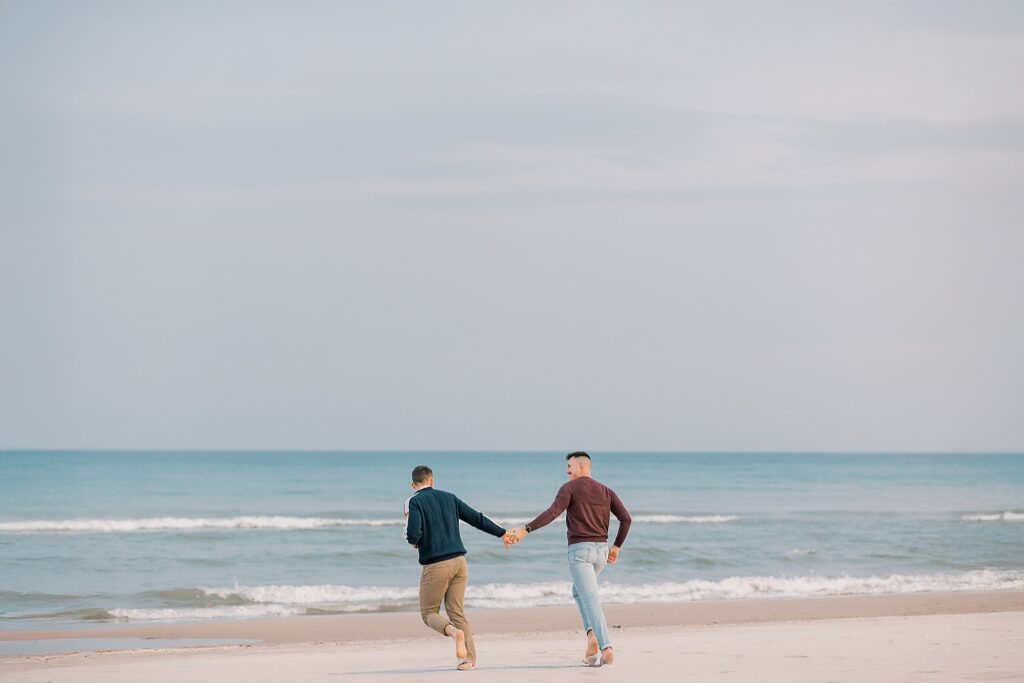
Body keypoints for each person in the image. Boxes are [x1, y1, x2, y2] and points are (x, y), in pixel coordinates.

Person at [509, 451, 631, 666]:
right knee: (579, 592)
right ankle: (591, 636)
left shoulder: (569, 488)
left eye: (570, 466)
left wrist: (526, 529)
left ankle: (606, 646)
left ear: (582, 467)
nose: (567, 471)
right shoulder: (606, 491)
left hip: (581, 552)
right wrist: (616, 547)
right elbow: (626, 519)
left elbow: (552, 512)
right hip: (601, 552)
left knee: (590, 597)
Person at [405, 464, 516, 671]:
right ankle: (469, 660)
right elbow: (477, 519)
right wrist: (502, 533)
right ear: (432, 480)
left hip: (436, 565)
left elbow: (413, 535)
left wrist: (415, 542)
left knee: (428, 613)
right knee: (457, 611)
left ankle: (454, 632)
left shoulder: (415, 502)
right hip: (459, 563)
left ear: (413, 484)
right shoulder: (450, 498)